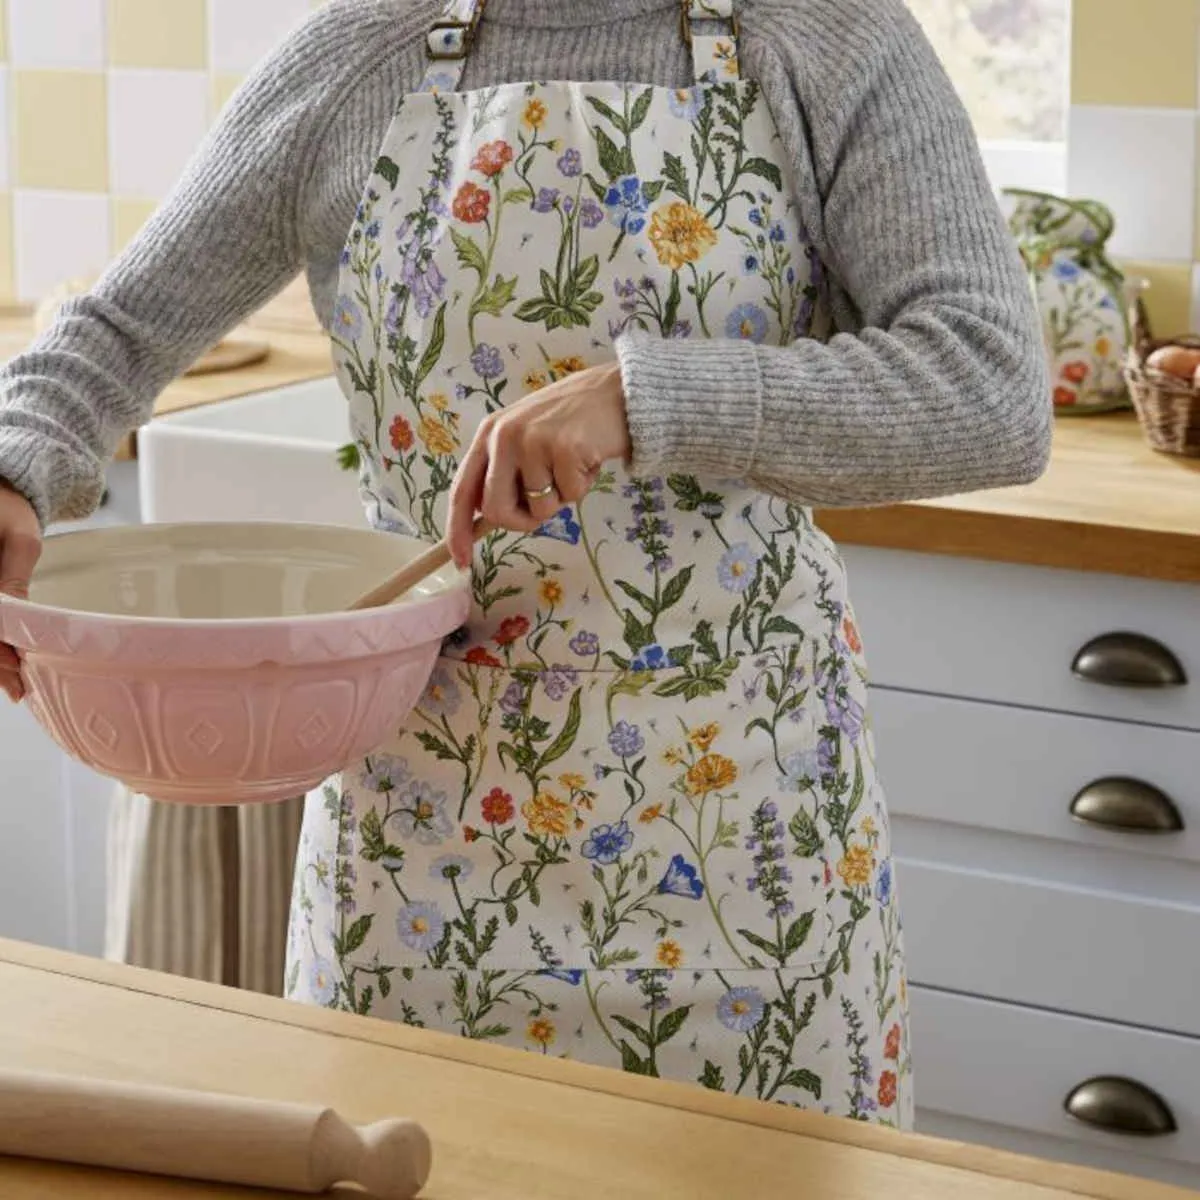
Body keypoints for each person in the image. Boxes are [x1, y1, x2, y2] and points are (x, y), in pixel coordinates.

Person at [0, 0, 1051, 1127]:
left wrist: (645, 399)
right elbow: (115, 331)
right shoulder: (365, 51)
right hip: (419, 848)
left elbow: (988, 388)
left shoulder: (823, 39)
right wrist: (18, 462)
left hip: (747, 858)